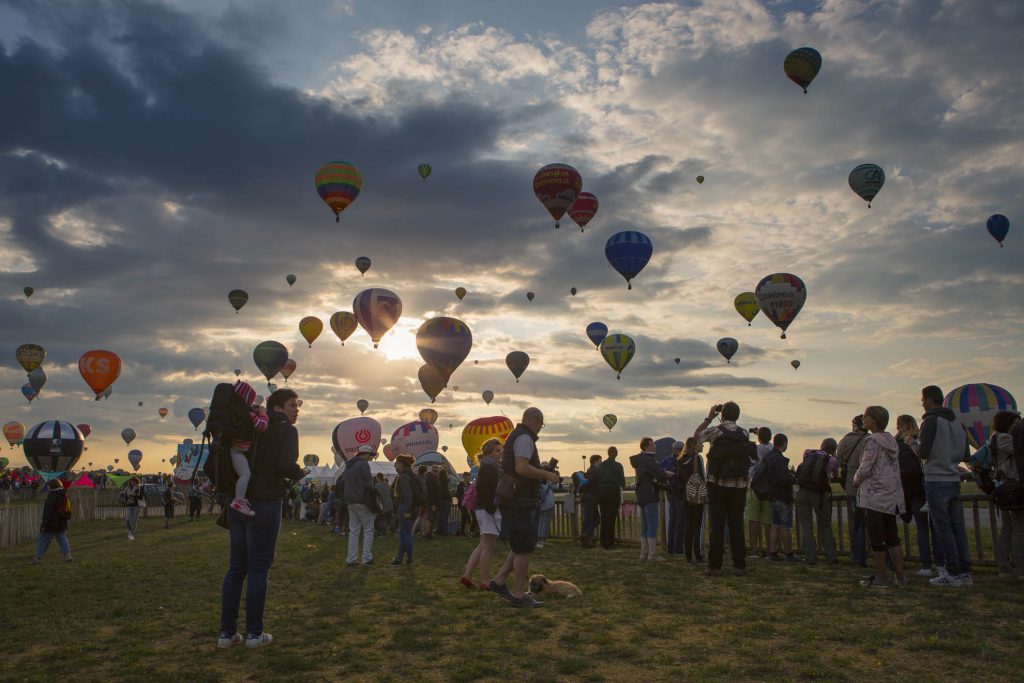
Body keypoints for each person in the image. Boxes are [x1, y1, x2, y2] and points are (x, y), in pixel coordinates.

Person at [219, 388, 305, 649]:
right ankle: (255, 634)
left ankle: (226, 634)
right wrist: (300, 472)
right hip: (266, 501)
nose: (297, 410)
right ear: (278, 406)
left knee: (236, 569)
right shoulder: (286, 430)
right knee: (258, 568)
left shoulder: (252, 425)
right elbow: (283, 466)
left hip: (239, 500)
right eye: (293, 405)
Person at [489, 408, 559, 607]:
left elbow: (518, 468)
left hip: (514, 500)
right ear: (537, 422)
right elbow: (521, 467)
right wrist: (546, 475)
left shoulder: (516, 436)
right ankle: (519, 595)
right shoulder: (525, 439)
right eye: (541, 425)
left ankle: (499, 581)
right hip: (519, 502)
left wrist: (539, 471)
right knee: (524, 549)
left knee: (519, 545)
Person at [914, 385, 972, 587]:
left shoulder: (930, 421)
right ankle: (965, 572)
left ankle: (952, 572)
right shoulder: (958, 422)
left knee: (942, 527)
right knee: (957, 527)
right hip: (953, 478)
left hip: (935, 478)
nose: (922, 403)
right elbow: (966, 455)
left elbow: (924, 452)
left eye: (922, 399)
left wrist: (914, 442)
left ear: (929, 400)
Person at [694, 402, 755, 576]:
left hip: (717, 483)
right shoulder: (743, 433)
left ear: (722, 414)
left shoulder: (716, 431)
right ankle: (739, 565)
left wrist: (709, 418)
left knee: (717, 525)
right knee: (736, 525)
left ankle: (714, 565)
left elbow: (697, 436)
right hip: (739, 484)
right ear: (737, 415)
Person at [853, 406, 906, 588]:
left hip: (875, 496)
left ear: (874, 420)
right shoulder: (891, 440)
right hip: (891, 494)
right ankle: (900, 576)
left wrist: (856, 479)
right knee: (892, 537)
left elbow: (866, 466)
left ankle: (881, 577)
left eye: (866, 417)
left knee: (876, 539)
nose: (864, 419)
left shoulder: (873, 441)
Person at [895, 415, 942, 576]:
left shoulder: (899, 444)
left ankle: (926, 564)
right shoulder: (920, 439)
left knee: (922, 529)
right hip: (928, 486)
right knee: (935, 527)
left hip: (912, 491)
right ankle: (941, 562)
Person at [462, 439, 502, 588]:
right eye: (497, 451)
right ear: (489, 452)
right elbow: (483, 489)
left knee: (483, 544)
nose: (500, 454)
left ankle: (467, 575)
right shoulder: (488, 467)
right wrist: (491, 507)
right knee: (488, 546)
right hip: (488, 509)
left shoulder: (488, 467)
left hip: (484, 508)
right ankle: (485, 580)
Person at [228, 380, 270, 518]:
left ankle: (208, 485)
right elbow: (262, 426)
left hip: (231, 449)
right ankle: (239, 501)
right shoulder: (248, 414)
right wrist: (263, 413)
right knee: (245, 474)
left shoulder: (232, 413)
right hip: (238, 451)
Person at [794, 439, 838, 565]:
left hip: (802, 492)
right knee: (825, 524)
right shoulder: (832, 461)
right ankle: (830, 555)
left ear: (822, 445)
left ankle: (810, 556)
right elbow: (835, 474)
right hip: (819, 495)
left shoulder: (808, 452)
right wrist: (834, 456)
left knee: (806, 525)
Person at [990, 411, 1023, 578]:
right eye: (1016, 423)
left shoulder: (996, 438)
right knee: (1017, 527)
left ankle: (1004, 566)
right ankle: (1019, 567)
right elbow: (1019, 448)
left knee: (1008, 527)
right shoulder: (1004, 438)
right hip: (1013, 486)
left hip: (1003, 486)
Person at [836, 415, 870, 567]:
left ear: (854, 425)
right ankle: (882, 557)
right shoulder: (871, 439)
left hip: (852, 486)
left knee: (856, 524)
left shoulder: (846, 440)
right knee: (873, 523)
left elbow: (838, 460)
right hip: (870, 487)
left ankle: (858, 557)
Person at [630, 437, 669, 562]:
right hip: (650, 494)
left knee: (645, 524)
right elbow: (660, 474)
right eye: (652, 445)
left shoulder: (640, 460)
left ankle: (644, 553)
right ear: (646, 447)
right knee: (652, 523)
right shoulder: (649, 460)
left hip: (641, 494)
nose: (655, 447)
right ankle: (652, 554)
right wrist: (667, 474)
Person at [763, 434, 796, 561]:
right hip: (782, 495)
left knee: (775, 525)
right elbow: (783, 479)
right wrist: (792, 478)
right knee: (785, 526)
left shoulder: (768, 457)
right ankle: (788, 553)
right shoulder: (780, 459)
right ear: (784, 443)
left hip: (772, 495)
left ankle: (772, 552)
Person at [343, 444, 378, 567]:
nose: (371, 458)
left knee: (354, 530)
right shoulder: (364, 464)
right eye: (370, 455)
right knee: (368, 529)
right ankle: (366, 558)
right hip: (362, 500)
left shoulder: (348, 465)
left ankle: (351, 559)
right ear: (366, 454)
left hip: (350, 501)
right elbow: (368, 484)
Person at [745, 427, 774, 559]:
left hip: (754, 486)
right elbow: (766, 441)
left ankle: (755, 549)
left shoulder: (755, 449)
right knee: (768, 521)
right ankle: (769, 549)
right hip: (769, 486)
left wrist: (754, 434)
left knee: (754, 519)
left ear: (758, 438)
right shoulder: (772, 449)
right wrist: (760, 433)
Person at [677, 438, 706, 563]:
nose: (703, 445)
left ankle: (688, 555)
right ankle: (698, 554)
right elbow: (701, 477)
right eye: (700, 443)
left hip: (686, 496)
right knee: (697, 527)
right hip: (697, 497)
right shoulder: (697, 459)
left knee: (688, 526)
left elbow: (679, 481)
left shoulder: (680, 460)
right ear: (694, 446)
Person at [32, 478, 72, 564]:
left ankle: (37, 558)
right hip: (61, 522)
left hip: (50, 523)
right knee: (62, 539)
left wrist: (44, 525)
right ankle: (68, 556)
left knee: (43, 540)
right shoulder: (64, 495)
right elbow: (68, 509)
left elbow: (47, 512)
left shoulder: (52, 496)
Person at [597, 447, 626, 550]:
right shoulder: (618, 466)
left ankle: (603, 540)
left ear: (608, 453)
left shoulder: (601, 465)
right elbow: (623, 482)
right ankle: (609, 542)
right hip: (613, 493)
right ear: (616, 454)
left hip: (602, 493)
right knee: (611, 517)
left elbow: (598, 479)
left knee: (604, 517)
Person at [392, 455, 416, 565]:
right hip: (408, 507)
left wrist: (407, 510)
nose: (395, 466)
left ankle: (408, 558)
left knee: (405, 534)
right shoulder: (411, 475)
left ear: (401, 464)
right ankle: (400, 558)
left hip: (404, 507)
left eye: (396, 463)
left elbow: (408, 495)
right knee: (404, 533)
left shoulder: (403, 477)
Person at [664, 441, 687, 556]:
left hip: (669, 492)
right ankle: (678, 549)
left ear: (673, 449)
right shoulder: (682, 460)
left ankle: (670, 548)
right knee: (680, 520)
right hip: (679, 492)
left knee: (672, 521)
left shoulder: (666, 460)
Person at [580, 454, 602, 547]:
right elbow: (590, 483)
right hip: (592, 497)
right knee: (594, 519)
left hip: (587, 496)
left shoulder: (588, 471)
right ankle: (586, 535)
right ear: (596, 461)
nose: (601, 462)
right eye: (600, 460)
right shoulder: (595, 471)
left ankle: (586, 537)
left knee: (590, 518)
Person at [537, 470, 555, 548]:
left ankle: (540, 540)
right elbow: (556, 486)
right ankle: (542, 540)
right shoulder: (546, 483)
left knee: (541, 522)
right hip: (548, 504)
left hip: (541, 504)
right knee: (545, 523)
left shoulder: (538, 482)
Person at [123, 476, 144, 541]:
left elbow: (141, 497)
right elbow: (125, 496)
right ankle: (130, 530)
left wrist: (134, 495)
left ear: (136, 482)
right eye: (132, 481)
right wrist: (126, 498)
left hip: (136, 505)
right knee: (127, 520)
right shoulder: (127, 488)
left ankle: (132, 535)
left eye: (134, 481)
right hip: (129, 505)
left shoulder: (139, 488)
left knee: (133, 521)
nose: (133, 482)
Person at [436, 466, 451, 536]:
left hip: (440, 499)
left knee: (440, 515)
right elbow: (449, 479)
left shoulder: (438, 481)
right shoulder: (446, 482)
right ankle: (445, 531)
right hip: (446, 499)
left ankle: (439, 530)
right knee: (445, 516)